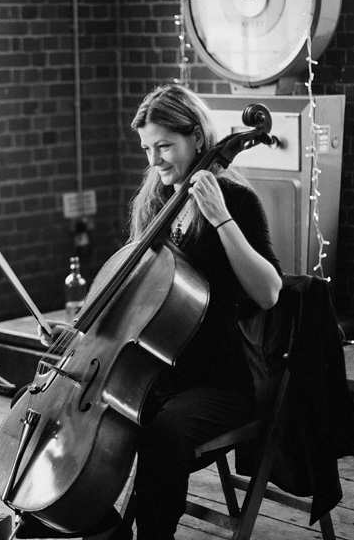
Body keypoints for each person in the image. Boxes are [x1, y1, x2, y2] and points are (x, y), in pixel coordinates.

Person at [127, 84, 282, 538]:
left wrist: (220, 218)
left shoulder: (235, 200)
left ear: (197, 137)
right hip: (161, 369)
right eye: (147, 149)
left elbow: (270, 291)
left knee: (161, 434)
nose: (155, 161)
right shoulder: (156, 200)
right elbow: (133, 292)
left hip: (222, 377)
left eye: (164, 146)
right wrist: (79, 336)